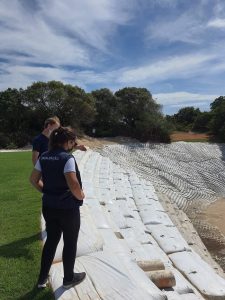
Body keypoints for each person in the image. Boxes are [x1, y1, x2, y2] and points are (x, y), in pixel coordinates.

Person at [30, 126, 86, 289]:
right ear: (68, 142)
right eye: (72, 142)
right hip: (67, 209)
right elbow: (73, 184)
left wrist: (47, 191)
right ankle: (68, 278)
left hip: (49, 206)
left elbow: (33, 179)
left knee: (51, 241)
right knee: (70, 242)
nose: (73, 145)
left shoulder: (44, 157)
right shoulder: (67, 158)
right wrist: (81, 195)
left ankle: (41, 279)